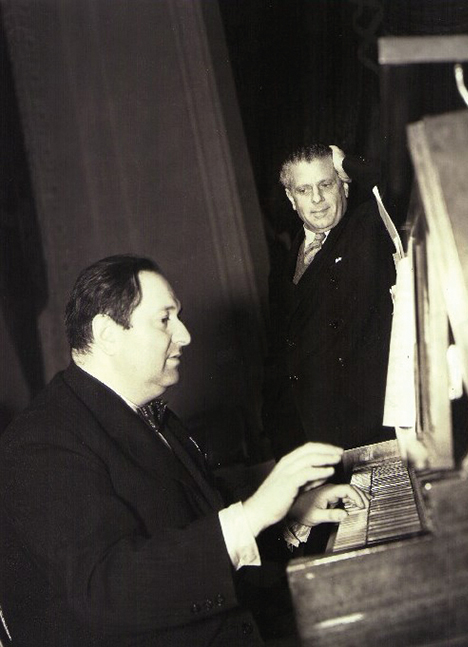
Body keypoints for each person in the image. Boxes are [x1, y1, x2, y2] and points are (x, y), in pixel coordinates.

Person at [0, 254, 368, 647]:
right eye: (165, 320)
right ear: (107, 333)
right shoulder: (42, 439)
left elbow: (198, 523)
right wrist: (254, 513)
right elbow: (107, 590)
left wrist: (290, 514)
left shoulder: (146, 414)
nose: (185, 335)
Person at [263, 144, 396, 460]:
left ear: (344, 186)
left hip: (372, 432)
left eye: (325, 184)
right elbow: (280, 358)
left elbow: (396, 187)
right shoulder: (282, 266)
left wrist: (348, 163)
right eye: (304, 190)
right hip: (315, 438)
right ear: (291, 198)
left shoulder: (368, 228)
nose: (317, 199)